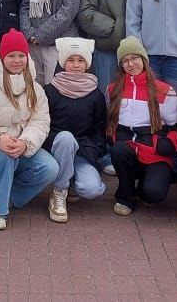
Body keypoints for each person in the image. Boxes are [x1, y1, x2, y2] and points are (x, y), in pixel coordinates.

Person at [0, 29, 58, 230]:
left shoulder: (36, 89)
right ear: (2, 58)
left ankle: (8, 196)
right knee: (5, 155)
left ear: (27, 57)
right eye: (11, 56)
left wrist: (25, 142)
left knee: (50, 168)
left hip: (20, 148)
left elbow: (40, 122)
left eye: (21, 56)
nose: (16, 61)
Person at [107, 36, 177, 215]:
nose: (131, 64)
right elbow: (110, 119)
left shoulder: (164, 90)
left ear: (144, 59)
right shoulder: (113, 90)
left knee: (153, 194)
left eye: (135, 58)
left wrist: (168, 144)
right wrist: (112, 136)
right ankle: (125, 198)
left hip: (154, 152)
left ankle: (149, 185)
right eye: (126, 60)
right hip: (128, 149)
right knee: (118, 151)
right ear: (121, 65)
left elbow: (176, 126)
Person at [44, 36, 107, 222]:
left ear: (87, 64)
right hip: (56, 148)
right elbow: (42, 124)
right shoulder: (50, 91)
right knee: (66, 138)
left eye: (81, 60)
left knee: (92, 189)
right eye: (71, 60)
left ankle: (72, 180)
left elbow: (99, 128)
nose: (76, 65)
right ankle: (59, 191)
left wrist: (95, 150)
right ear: (63, 63)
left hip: (82, 150)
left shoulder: (95, 94)